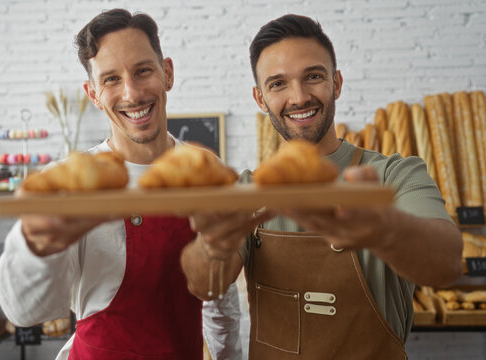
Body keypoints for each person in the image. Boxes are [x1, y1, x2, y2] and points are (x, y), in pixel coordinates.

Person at [181, 14, 463, 359]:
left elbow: (447, 264)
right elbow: (204, 284)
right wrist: (211, 244)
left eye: (313, 77)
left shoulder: (393, 176)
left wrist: (386, 230)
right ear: (260, 98)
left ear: (337, 83)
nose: (299, 97)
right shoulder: (247, 191)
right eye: (278, 84)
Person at [0, 9, 261, 360]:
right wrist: (33, 244)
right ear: (93, 94)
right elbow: (24, 313)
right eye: (111, 79)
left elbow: (219, 298)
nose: (132, 93)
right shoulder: (72, 185)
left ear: (167, 72)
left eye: (143, 71)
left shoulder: (204, 173)